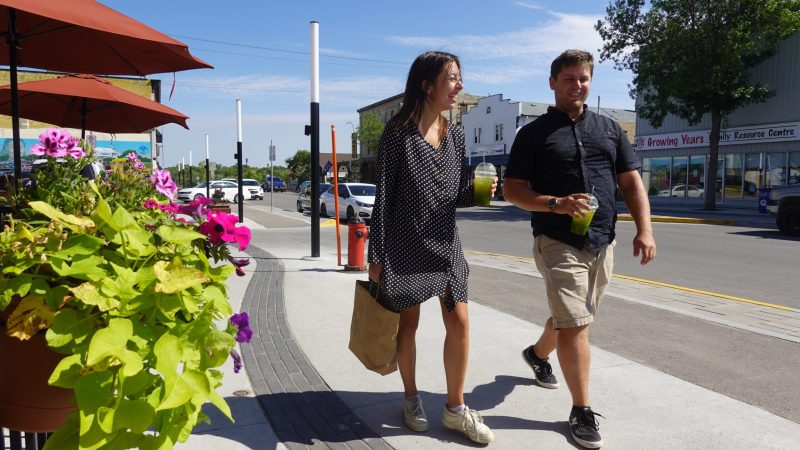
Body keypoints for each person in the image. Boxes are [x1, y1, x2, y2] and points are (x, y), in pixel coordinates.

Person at [503, 49, 656, 449]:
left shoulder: (610, 129)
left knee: (575, 318)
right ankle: (581, 410)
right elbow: (513, 190)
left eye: (584, 78)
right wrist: (556, 202)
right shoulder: (533, 135)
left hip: (602, 239)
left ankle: (537, 355)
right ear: (552, 83)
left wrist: (646, 230)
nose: (578, 85)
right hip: (557, 240)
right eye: (569, 78)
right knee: (576, 323)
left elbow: (632, 184)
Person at [367, 50, 496, 445]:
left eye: (459, 78)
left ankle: (455, 408)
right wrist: (376, 255)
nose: (459, 86)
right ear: (427, 85)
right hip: (406, 243)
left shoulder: (455, 134)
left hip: (446, 242)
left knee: (459, 320)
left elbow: (454, 195)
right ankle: (411, 397)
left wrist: (479, 194)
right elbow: (384, 196)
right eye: (452, 78)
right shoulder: (398, 134)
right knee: (409, 324)